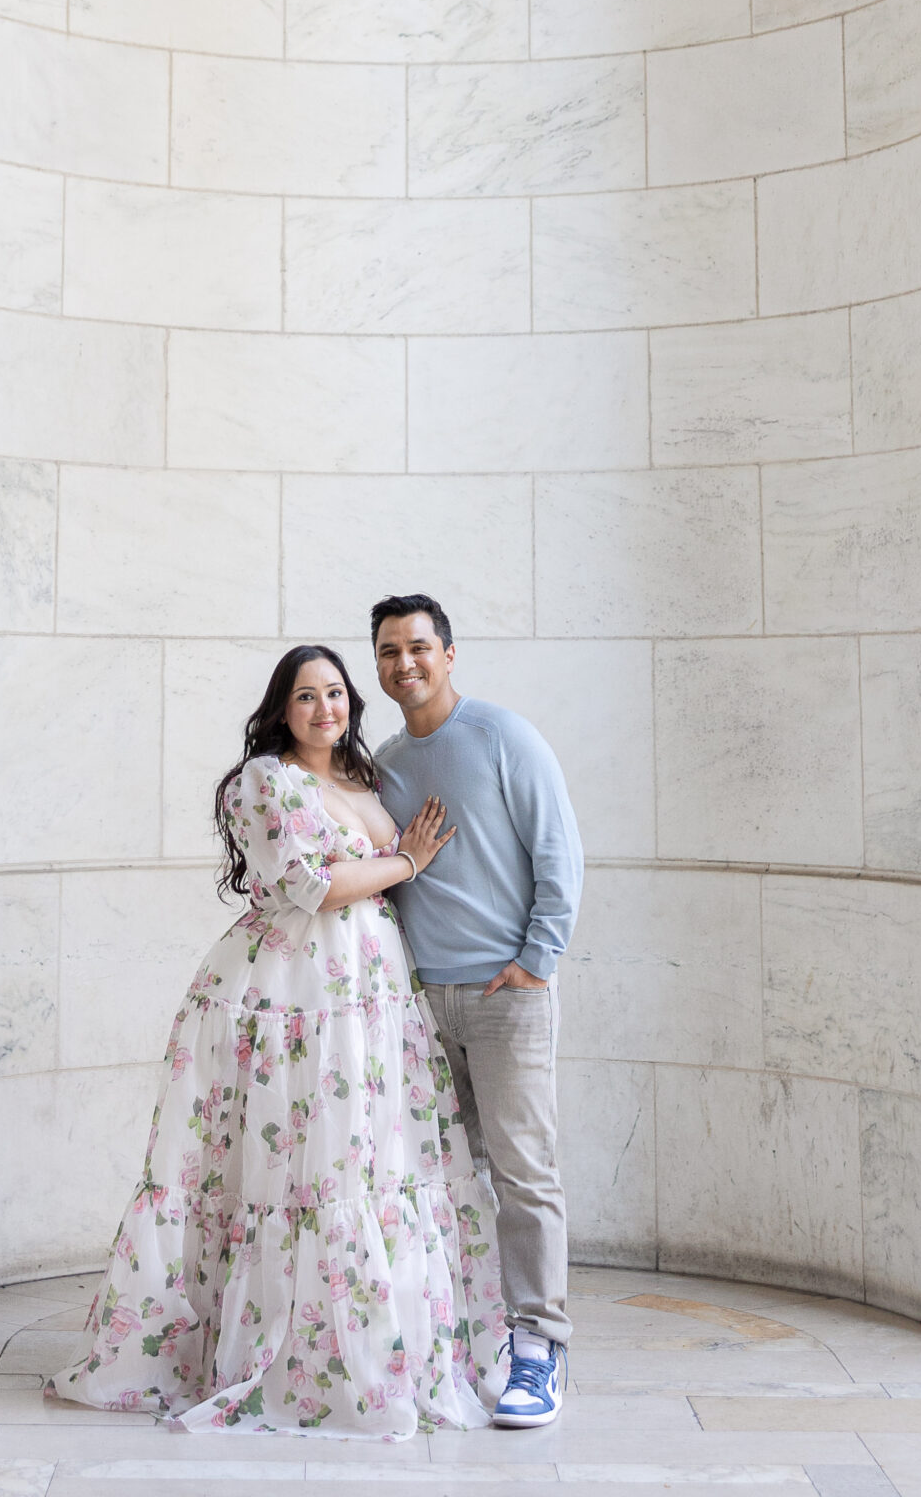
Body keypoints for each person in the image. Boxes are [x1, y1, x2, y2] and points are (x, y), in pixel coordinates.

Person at [48, 644, 506, 1435]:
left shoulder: (361, 776)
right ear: (280, 710)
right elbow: (310, 887)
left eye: (335, 693)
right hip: (295, 997)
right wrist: (407, 859)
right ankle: (288, 1354)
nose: (325, 708)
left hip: (371, 994)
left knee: (370, 1160)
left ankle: (379, 1351)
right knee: (304, 1168)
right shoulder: (265, 780)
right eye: (305, 696)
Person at [372, 593, 584, 1429]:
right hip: (423, 1004)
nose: (404, 664)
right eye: (389, 651)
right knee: (444, 1180)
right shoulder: (386, 764)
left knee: (524, 1174)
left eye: (418, 647)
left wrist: (537, 961)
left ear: (448, 654)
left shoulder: (502, 737)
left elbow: (558, 850)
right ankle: (463, 1338)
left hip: (506, 997)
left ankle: (538, 1347)